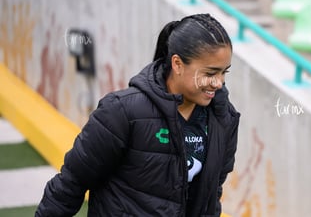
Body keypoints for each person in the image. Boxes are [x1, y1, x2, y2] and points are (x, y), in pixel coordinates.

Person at [35, 13, 241, 217]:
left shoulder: (224, 118)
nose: (219, 83)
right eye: (210, 73)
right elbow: (71, 184)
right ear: (177, 64)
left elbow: (211, 195)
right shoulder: (121, 111)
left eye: (224, 72)